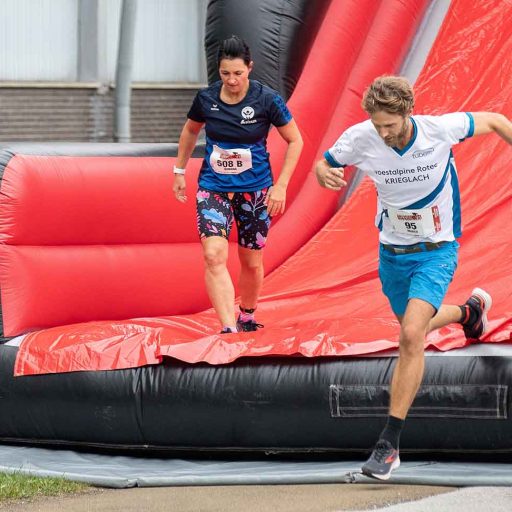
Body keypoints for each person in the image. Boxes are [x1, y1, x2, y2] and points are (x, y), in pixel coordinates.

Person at [315, 75, 512, 480]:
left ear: (408, 113)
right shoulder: (361, 137)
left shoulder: (439, 130)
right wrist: (322, 174)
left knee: (409, 335)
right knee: (411, 326)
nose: (384, 133)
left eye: (391, 125)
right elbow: (326, 162)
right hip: (392, 255)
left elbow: (493, 120)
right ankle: (468, 313)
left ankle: (389, 444)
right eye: (378, 125)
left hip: (437, 252)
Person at [173, 35, 303, 334]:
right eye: (225, 74)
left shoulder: (266, 99)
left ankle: (246, 314)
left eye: (238, 73)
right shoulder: (206, 99)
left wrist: (280, 186)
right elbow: (190, 132)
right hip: (213, 186)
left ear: (250, 68)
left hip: (255, 189)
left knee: (251, 262)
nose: (231, 80)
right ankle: (228, 327)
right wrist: (179, 170)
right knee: (213, 254)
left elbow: (295, 140)